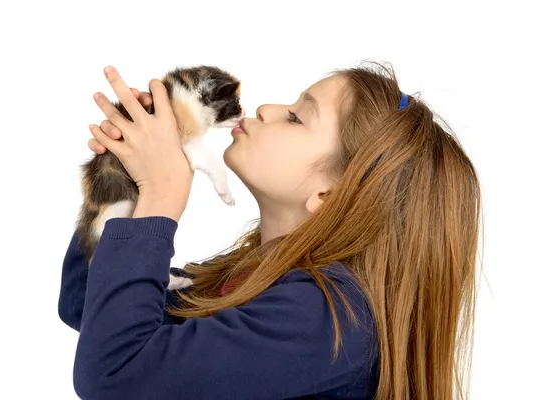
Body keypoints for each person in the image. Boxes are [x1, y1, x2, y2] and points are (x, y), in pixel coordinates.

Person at [58, 61, 481, 400]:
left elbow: (113, 374)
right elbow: (87, 308)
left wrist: (162, 194)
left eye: (297, 117)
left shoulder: (328, 318)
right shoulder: (246, 283)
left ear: (330, 195)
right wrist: (121, 176)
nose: (267, 109)